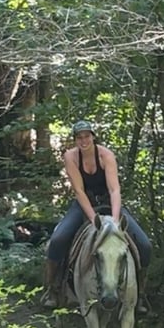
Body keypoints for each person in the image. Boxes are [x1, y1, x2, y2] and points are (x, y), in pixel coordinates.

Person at [42, 120, 151, 313]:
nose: (83, 140)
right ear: (75, 139)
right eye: (79, 137)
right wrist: (93, 219)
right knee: (58, 239)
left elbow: (114, 189)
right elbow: (79, 191)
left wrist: (116, 220)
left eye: (86, 136)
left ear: (93, 136)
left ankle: (140, 293)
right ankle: (52, 288)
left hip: (110, 205)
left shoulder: (106, 155)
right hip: (84, 206)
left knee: (144, 244)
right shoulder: (70, 157)